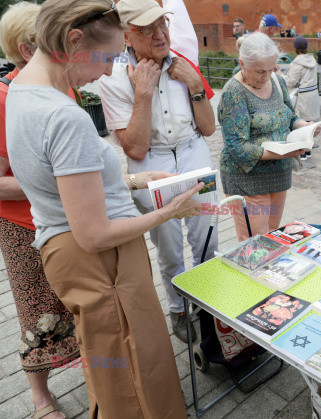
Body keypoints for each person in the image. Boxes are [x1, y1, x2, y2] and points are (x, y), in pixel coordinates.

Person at [6, 0, 202, 416]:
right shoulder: (64, 116)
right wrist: (169, 212)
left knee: (108, 358)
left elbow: (55, 178)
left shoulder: (22, 90)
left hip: (66, 248)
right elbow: (93, 233)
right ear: (74, 40)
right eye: (109, 56)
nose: (111, 70)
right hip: (102, 258)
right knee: (136, 364)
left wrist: (128, 180)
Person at [99, 0, 217, 343]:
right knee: (168, 249)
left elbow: (208, 129)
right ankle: (178, 308)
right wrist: (143, 94)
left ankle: (209, 306)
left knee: (207, 241)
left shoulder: (185, 65)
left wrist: (196, 86)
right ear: (126, 36)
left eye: (162, 24)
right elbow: (134, 148)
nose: (160, 34)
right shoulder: (115, 77)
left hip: (194, 153)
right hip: (152, 164)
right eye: (146, 28)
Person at [0, 4, 80, 418]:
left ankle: (97, 372)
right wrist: (57, 179)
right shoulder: (3, 97)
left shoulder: (65, 85)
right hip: (23, 227)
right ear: (26, 47)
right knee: (36, 312)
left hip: (70, 218)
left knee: (76, 301)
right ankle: (39, 396)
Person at [218, 33, 321, 241]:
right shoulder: (234, 93)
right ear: (242, 64)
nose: (266, 76)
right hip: (248, 180)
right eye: (259, 71)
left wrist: (305, 126)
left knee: (272, 238)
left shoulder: (277, 80)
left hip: (278, 176)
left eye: (271, 69)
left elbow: (289, 115)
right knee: (255, 244)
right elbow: (237, 148)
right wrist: (280, 153)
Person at [286, 36, 320, 160]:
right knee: (310, 123)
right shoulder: (312, 60)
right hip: (313, 94)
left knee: (301, 123)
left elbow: (290, 82)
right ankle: (309, 150)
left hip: (302, 96)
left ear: (295, 48)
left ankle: (303, 152)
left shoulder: (296, 63)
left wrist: (281, 75)